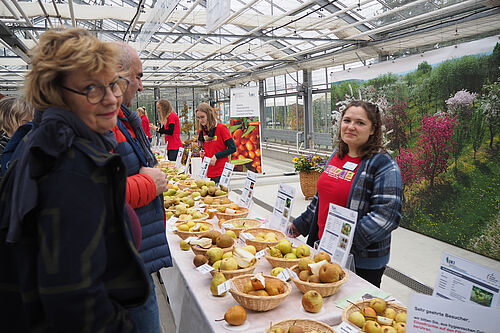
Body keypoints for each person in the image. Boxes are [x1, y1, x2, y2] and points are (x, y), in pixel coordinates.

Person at [0, 28, 149, 332]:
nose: (111, 99)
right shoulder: (72, 166)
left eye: (113, 85)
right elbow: (72, 297)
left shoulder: (42, 142)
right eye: (92, 89)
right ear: (56, 95)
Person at [289, 100, 402, 288]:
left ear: (373, 129)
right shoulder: (337, 155)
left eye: (360, 123)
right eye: (347, 120)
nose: (351, 127)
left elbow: (387, 216)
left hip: (360, 260)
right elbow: (320, 199)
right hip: (324, 248)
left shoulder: (382, 164)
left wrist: (343, 242)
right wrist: (299, 225)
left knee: (352, 309)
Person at [111, 41, 172, 333]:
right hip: (122, 258)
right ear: (116, 74)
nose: (141, 85)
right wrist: (149, 183)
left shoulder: (121, 118)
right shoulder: (99, 122)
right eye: (138, 76)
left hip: (134, 254)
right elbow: (97, 194)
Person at [196, 102, 236, 183]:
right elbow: (202, 146)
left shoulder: (221, 128)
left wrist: (216, 156)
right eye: (198, 118)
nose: (200, 120)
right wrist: (201, 152)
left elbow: (232, 148)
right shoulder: (202, 131)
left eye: (202, 117)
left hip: (220, 171)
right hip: (206, 171)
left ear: (209, 115)